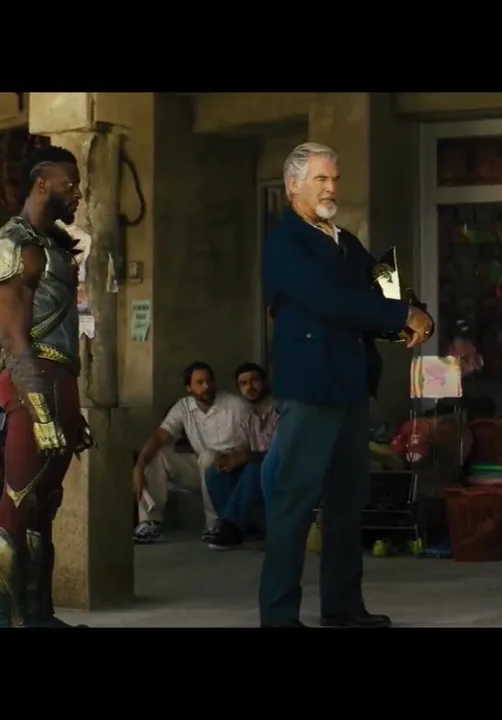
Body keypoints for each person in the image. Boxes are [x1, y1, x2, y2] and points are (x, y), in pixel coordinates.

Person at [258, 142, 435, 629]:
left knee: (347, 503)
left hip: (352, 384)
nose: (331, 188)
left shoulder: (342, 238)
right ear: (293, 185)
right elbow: (330, 300)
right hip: (310, 387)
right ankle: (278, 617)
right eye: (320, 179)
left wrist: (414, 312)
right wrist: (401, 314)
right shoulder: (285, 241)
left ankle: (342, 608)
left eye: (334, 179)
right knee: (294, 504)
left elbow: (379, 286)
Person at [0, 145, 92, 628]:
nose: (78, 192)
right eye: (71, 183)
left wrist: (69, 410)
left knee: (43, 507)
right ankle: (2, 622)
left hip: (60, 379)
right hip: (33, 382)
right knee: (17, 504)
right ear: (42, 183)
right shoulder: (9, 247)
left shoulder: (54, 245)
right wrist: (43, 412)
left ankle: (39, 617)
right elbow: (12, 337)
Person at [131, 361, 263, 548]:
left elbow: (258, 446)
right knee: (158, 455)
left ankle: (215, 523)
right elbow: (159, 437)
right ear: (189, 388)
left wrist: (241, 457)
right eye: (200, 383)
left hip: (233, 472)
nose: (206, 386)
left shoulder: (236, 405)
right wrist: (139, 466)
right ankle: (150, 523)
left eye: (209, 381)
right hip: (203, 468)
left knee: (208, 457)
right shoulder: (183, 407)